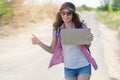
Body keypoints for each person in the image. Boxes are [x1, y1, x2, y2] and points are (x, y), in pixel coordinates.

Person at [31, 2, 97, 80]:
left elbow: (87, 46)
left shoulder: (81, 27)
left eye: (68, 13)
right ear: (60, 14)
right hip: (69, 68)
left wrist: (89, 40)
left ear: (73, 14)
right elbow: (52, 50)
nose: (65, 16)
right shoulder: (58, 31)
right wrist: (38, 42)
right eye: (63, 13)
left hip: (84, 65)